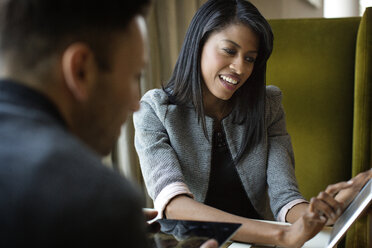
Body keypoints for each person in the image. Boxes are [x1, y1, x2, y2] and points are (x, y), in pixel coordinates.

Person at [133, 0, 372, 247]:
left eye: (250, 58)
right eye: (228, 50)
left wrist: (334, 206)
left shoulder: (268, 106)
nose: (239, 68)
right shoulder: (154, 110)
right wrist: (281, 236)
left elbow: (286, 199)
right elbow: (174, 205)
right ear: (199, 44)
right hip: (189, 243)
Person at [0, 1, 220, 248]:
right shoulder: (95, 200)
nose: (136, 103)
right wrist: (106, 219)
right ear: (81, 70)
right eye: (133, 76)